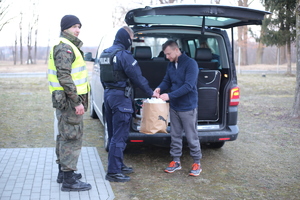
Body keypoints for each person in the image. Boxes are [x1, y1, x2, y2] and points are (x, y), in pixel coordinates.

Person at [101, 26, 159, 182]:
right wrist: (150, 92)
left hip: (109, 96)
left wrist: (110, 92)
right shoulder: (124, 55)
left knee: (114, 135)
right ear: (126, 39)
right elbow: (137, 77)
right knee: (119, 136)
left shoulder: (105, 53)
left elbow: (103, 79)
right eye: (131, 40)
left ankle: (118, 165)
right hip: (121, 99)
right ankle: (113, 172)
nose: (131, 43)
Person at [48, 15, 92, 191]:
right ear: (65, 28)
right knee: (71, 137)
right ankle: (69, 180)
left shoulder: (66, 45)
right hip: (70, 102)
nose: (78, 29)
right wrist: (76, 102)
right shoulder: (65, 47)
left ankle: (64, 172)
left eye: (79, 26)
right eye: (74, 26)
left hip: (65, 101)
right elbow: (64, 76)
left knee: (64, 135)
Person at [154, 40, 202, 176]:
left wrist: (169, 95)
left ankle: (197, 162)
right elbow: (167, 80)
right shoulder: (171, 65)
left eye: (168, 54)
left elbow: (189, 86)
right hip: (174, 106)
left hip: (187, 107)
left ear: (176, 50)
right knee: (175, 135)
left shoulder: (191, 64)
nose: (167, 57)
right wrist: (159, 88)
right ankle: (176, 161)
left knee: (192, 136)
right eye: (166, 54)